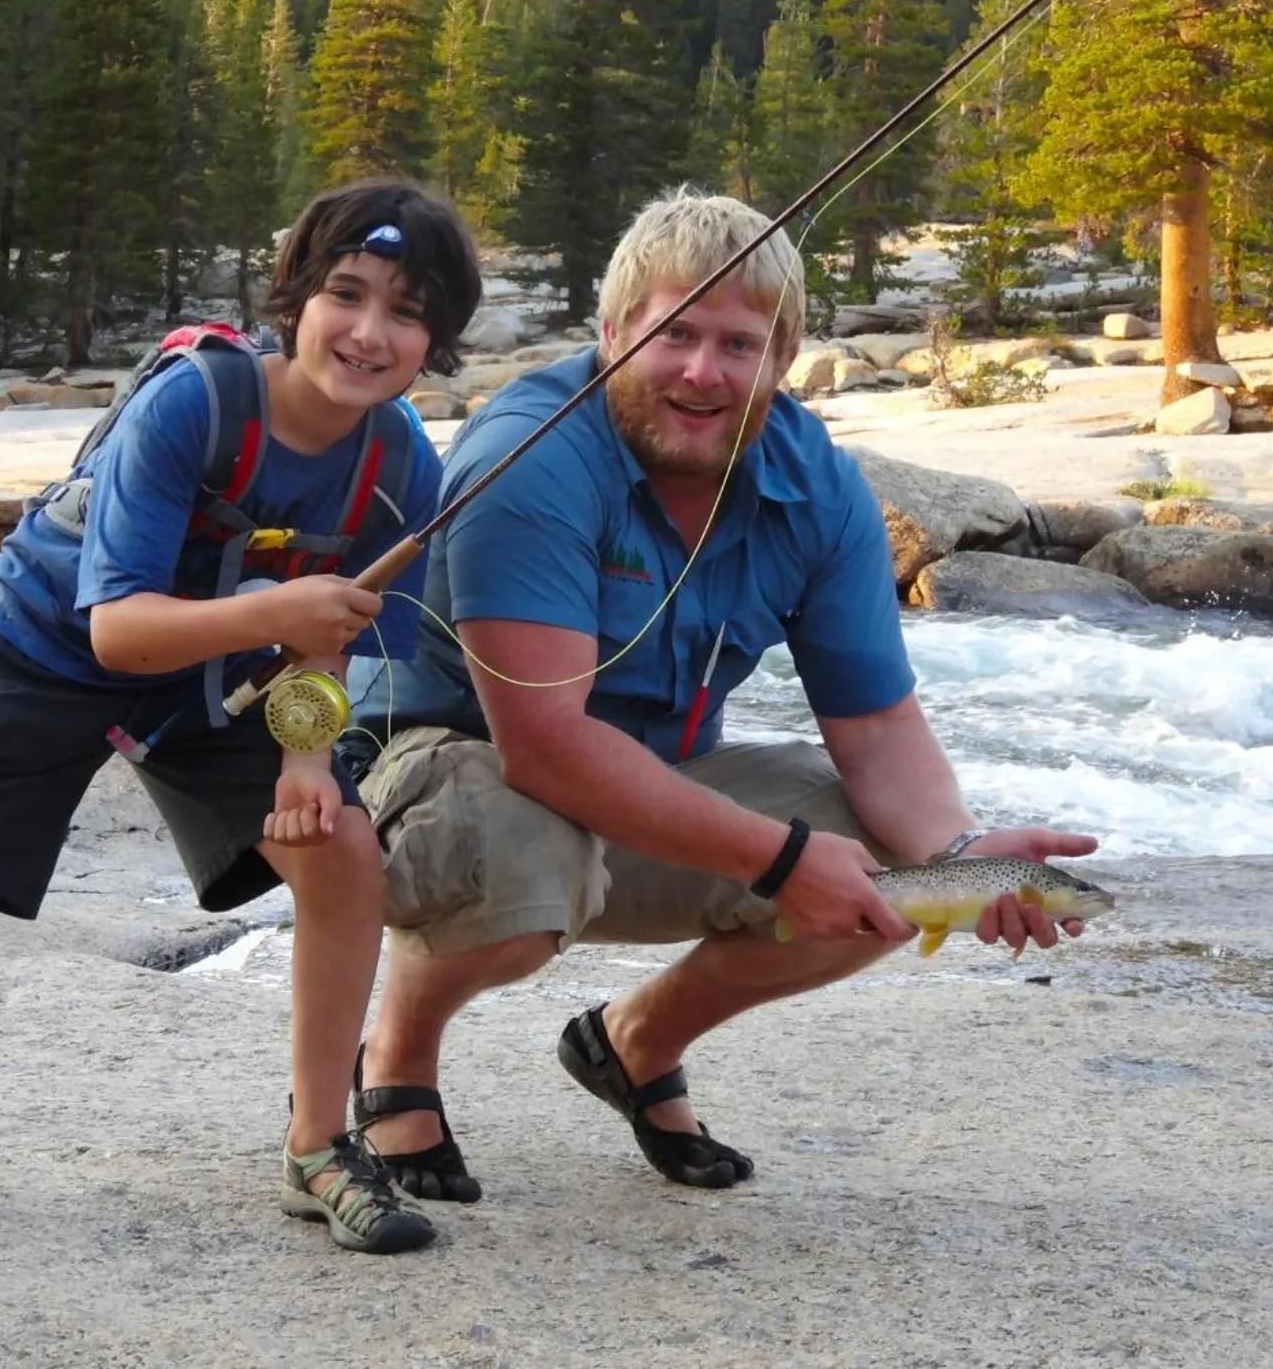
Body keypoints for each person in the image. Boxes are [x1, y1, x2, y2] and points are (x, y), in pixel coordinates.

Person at [0, 178, 482, 1255]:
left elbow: (329, 637)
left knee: (342, 855)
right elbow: (117, 633)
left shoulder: (399, 465)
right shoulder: (191, 401)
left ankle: (320, 1145)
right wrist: (280, 608)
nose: (370, 332)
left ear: (437, 340)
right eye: (347, 293)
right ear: (295, 297)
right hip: (50, 643)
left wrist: (303, 761)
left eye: (407, 312)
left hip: (225, 678)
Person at [343, 189, 1096, 1202]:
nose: (703, 372)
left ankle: (632, 1041)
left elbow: (874, 729)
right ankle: (396, 1049)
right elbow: (544, 750)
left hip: (645, 780)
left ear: (781, 361)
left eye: (739, 345)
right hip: (440, 774)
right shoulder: (532, 457)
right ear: (611, 333)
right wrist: (779, 859)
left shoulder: (816, 487)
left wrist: (963, 863)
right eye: (674, 334)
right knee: (521, 849)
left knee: (877, 878)